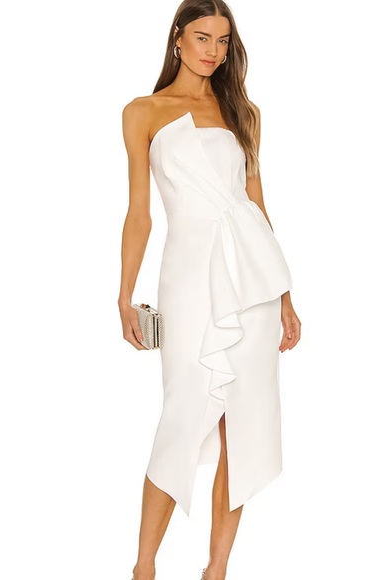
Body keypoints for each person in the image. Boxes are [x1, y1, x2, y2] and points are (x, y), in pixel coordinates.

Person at [118, 1, 301, 578]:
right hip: (189, 274)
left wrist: (286, 297)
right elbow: (140, 213)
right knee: (183, 414)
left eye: (222, 41)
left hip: (253, 281)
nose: (213, 51)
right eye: (202, 37)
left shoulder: (243, 111)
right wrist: (124, 296)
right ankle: (144, 568)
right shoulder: (143, 111)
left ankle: (216, 570)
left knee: (243, 425)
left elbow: (257, 205)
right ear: (178, 37)